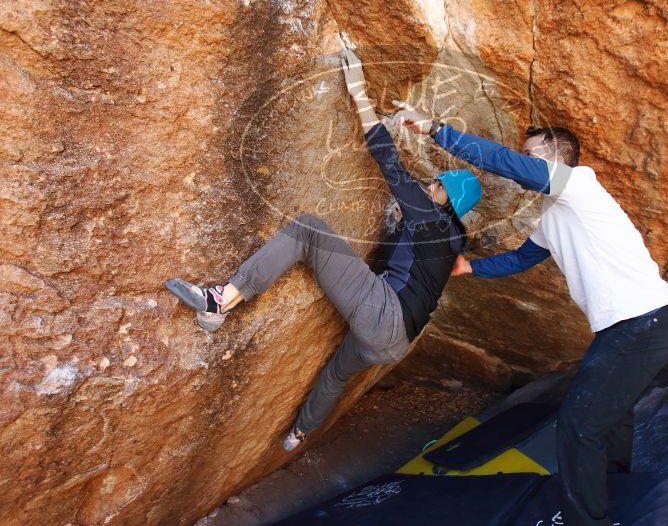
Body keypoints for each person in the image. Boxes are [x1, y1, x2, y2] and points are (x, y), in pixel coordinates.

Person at [164, 50, 482, 452]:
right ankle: (299, 434)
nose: (429, 184)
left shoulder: (432, 218)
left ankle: (219, 302)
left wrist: (358, 93)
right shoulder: (447, 236)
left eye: (437, 184)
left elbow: (388, 161)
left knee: (309, 229)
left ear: (445, 199)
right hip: (393, 342)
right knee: (335, 375)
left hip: (384, 314)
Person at [393, 104, 668, 526]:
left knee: (578, 426)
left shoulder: (580, 185)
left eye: (532, 154)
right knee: (611, 415)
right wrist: (470, 266)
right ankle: (617, 490)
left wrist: (437, 130)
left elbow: (502, 162)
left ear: (556, 156)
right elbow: (521, 259)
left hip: (646, 323)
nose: (523, 160)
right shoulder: (553, 215)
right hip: (626, 329)